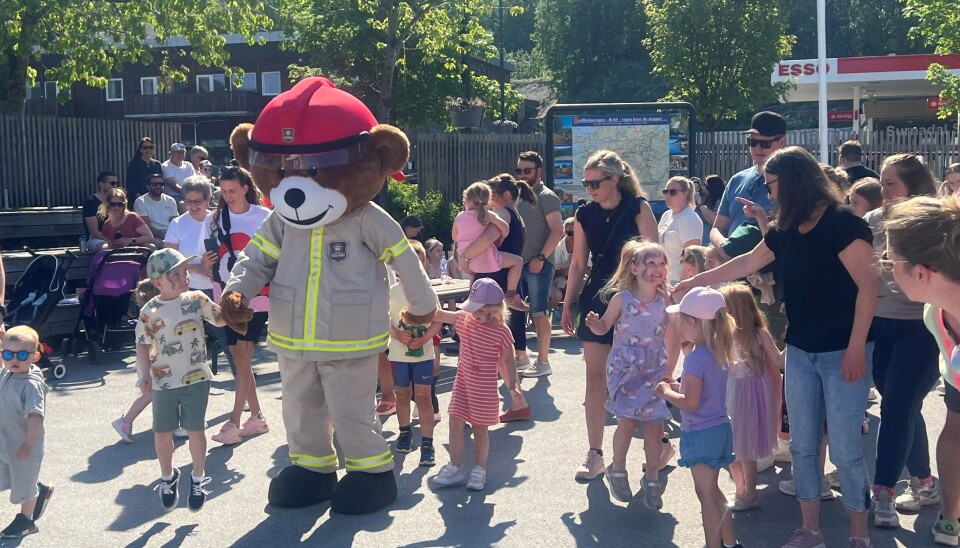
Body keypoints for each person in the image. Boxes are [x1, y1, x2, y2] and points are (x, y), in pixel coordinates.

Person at [675, 146, 878, 548]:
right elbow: (747, 262)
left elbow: (870, 286)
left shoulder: (843, 224)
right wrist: (699, 281)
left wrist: (856, 348)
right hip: (801, 350)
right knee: (801, 444)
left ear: (793, 182)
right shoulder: (784, 228)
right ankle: (811, 532)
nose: (769, 194)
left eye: (772, 185)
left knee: (845, 448)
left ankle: (859, 535)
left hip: (844, 352)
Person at [560, 149, 659, 481]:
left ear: (615, 179)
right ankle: (595, 453)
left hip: (636, 298)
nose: (589, 189)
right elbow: (577, 263)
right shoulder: (584, 214)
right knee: (596, 377)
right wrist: (567, 304)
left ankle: (658, 444)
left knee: (641, 376)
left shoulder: (637, 208)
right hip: (596, 299)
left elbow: (654, 257)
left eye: (594, 183)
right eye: (585, 184)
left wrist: (659, 300)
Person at [864, 153, 941, 529]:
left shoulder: (936, 218)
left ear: (913, 183)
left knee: (895, 408)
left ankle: (882, 494)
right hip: (880, 325)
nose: (883, 190)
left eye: (890, 183)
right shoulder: (873, 220)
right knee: (902, 405)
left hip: (922, 326)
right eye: (881, 182)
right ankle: (925, 484)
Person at [883, 194, 960, 546]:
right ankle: (951, 517)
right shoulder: (935, 315)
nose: (886, 266)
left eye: (890, 259)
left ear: (920, 273)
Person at [582, 240, 678, 510]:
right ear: (634, 268)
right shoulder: (621, 298)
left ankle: (652, 479)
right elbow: (603, 328)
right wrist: (595, 323)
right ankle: (618, 469)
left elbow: (677, 327)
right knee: (627, 422)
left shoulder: (665, 299)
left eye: (662, 264)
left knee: (654, 424)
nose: (658, 269)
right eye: (651, 263)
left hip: (653, 368)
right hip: (625, 369)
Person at [136, 248, 226, 512]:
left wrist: (234, 306)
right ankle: (168, 476)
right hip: (164, 381)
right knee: (162, 434)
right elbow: (143, 344)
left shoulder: (197, 299)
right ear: (158, 282)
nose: (184, 277)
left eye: (185, 271)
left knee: (195, 430)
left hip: (197, 377)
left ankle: (197, 478)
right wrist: (143, 375)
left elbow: (220, 320)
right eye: (175, 273)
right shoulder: (149, 310)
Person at [656, 287, 740, 548]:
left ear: (692, 322)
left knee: (706, 496)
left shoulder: (695, 360)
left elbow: (690, 403)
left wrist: (666, 391)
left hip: (701, 433)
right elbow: (704, 394)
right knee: (712, 491)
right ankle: (730, 542)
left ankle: (713, 544)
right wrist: (678, 386)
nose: (677, 323)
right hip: (720, 429)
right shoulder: (718, 351)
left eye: (680, 318)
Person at [430, 279, 525, 491]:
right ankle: (455, 467)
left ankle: (479, 470)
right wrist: (421, 299)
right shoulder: (466, 319)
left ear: (494, 310)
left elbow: (508, 361)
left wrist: (513, 387)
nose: (473, 314)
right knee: (454, 423)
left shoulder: (502, 332)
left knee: (480, 429)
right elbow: (439, 314)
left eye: (479, 311)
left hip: (484, 388)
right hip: (463, 383)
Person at [459, 173, 536, 422]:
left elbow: (489, 238)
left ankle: (505, 400)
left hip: (491, 280)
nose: (487, 203)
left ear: (502, 196)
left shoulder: (501, 214)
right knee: (499, 345)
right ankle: (517, 400)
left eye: (491, 196)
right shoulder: (512, 215)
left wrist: (465, 257)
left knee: (484, 343)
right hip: (496, 280)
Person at [208, 166, 271, 445]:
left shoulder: (265, 217)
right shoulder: (217, 218)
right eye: (224, 191)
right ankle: (256, 416)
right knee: (237, 354)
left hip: (258, 294)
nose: (228, 196)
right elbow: (212, 254)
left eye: (232, 190)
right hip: (226, 291)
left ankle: (234, 421)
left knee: (243, 352)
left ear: (246, 188)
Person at [163, 177, 235, 386]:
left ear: (208, 199)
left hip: (216, 288)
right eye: (188, 201)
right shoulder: (178, 223)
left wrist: (215, 269)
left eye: (198, 201)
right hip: (187, 290)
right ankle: (183, 384)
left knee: (227, 338)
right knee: (185, 340)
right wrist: (199, 268)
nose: (193, 206)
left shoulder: (219, 220)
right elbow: (169, 261)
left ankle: (242, 384)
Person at [720, 284, 783, 512]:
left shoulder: (758, 334)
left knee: (745, 446)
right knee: (731, 443)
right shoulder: (723, 334)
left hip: (752, 392)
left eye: (725, 309)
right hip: (732, 390)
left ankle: (750, 493)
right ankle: (741, 490)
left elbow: (777, 360)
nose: (721, 314)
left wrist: (795, 340)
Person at [514, 151, 564, 378]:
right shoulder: (516, 196)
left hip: (538, 264)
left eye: (527, 171)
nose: (522, 175)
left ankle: (543, 362)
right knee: (513, 311)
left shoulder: (546, 196)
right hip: (516, 264)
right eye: (519, 171)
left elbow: (558, 230)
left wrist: (541, 258)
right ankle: (520, 358)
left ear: (539, 171)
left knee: (538, 313)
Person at [0, 326, 53, 539]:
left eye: (22, 355)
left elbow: (35, 416)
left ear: (35, 356)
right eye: (8, 354)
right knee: (10, 477)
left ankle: (27, 521)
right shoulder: (7, 373)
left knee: (24, 484)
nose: (15, 359)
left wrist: (28, 443)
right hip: (4, 441)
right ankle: (41, 488)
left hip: (23, 446)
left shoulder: (31, 384)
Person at [709, 111, 784, 248]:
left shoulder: (792, 183)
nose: (757, 148)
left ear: (782, 142)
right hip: (733, 265)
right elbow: (718, 228)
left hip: (769, 266)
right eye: (752, 142)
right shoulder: (737, 179)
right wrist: (725, 246)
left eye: (765, 143)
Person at [453, 182, 529, 311]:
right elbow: (505, 227)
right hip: (488, 259)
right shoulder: (487, 215)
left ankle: (471, 299)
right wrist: (502, 236)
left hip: (470, 262)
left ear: (466, 200)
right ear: (488, 201)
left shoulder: (459, 217)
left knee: (474, 279)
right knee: (517, 261)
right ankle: (511, 294)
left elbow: (455, 236)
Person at [388, 280, 439, 467]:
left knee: (423, 396)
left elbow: (438, 319)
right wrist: (397, 334)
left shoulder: (427, 290)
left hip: (423, 355)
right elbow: (381, 318)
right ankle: (404, 433)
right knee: (402, 395)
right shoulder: (392, 291)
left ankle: (427, 444)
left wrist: (425, 338)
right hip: (399, 355)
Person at [111, 279, 164, 443]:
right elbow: (145, 347)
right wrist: (147, 373)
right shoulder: (149, 319)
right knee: (151, 395)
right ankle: (125, 422)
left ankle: (167, 422)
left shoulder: (149, 317)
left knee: (158, 395)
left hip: (151, 363)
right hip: (150, 364)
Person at [658, 176, 704, 284]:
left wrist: (682, 284)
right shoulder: (667, 215)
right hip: (663, 278)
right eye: (665, 191)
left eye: (672, 192)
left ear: (685, 194)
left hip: (678, 280)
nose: (667, 195)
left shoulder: (688, 217)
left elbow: (692, 256)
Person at [134, 172, 179, 244]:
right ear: (148, 186)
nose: (158, 186)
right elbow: (146, 227)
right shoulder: (140, 202)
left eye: (161, 184)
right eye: (154, 184)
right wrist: (165, 237)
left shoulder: (170, 200)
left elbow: (175, 222)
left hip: (170, 233)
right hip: (153, 235)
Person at [83, 171, 118, 251]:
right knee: (105, 247)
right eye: (112, 183)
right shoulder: (91, 202)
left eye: (117, 183)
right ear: (101, 184)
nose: (115, 186)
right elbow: (94, 232)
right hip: (96, 239)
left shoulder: (117, 201)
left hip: (116, 237)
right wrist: (110, 241)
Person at [125, 137, 163, 201]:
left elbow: (160, 183)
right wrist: (143, 200)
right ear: (140, 150)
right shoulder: (134, 164)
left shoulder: (157, 164)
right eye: (145, 148)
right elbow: (131, 186)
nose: (149, 150)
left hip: (155, 199)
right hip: (138, 199)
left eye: (151, 147)